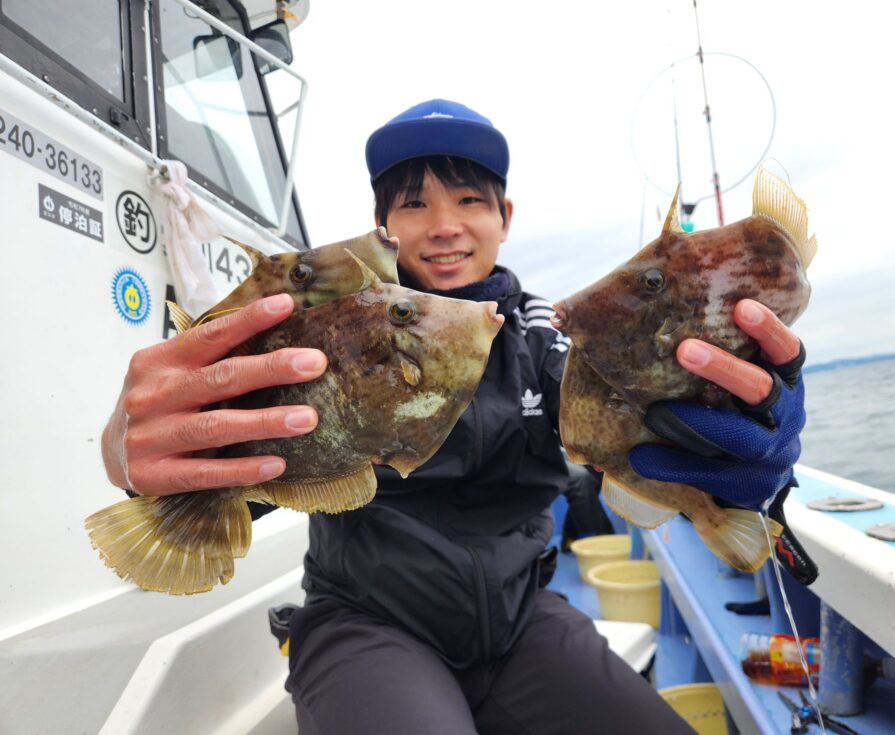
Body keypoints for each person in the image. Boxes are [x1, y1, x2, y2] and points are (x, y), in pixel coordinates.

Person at [100, 98, 808, 734]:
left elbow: (630, 413)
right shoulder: (336, 332)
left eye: (470, 199)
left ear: (505, 217)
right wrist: (133, 452)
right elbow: (248, 441)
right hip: (365, 626)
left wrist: (744, 450)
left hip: (522, 620)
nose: (443, 227)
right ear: (384, 225)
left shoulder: (549, 340)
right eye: (413, 205)